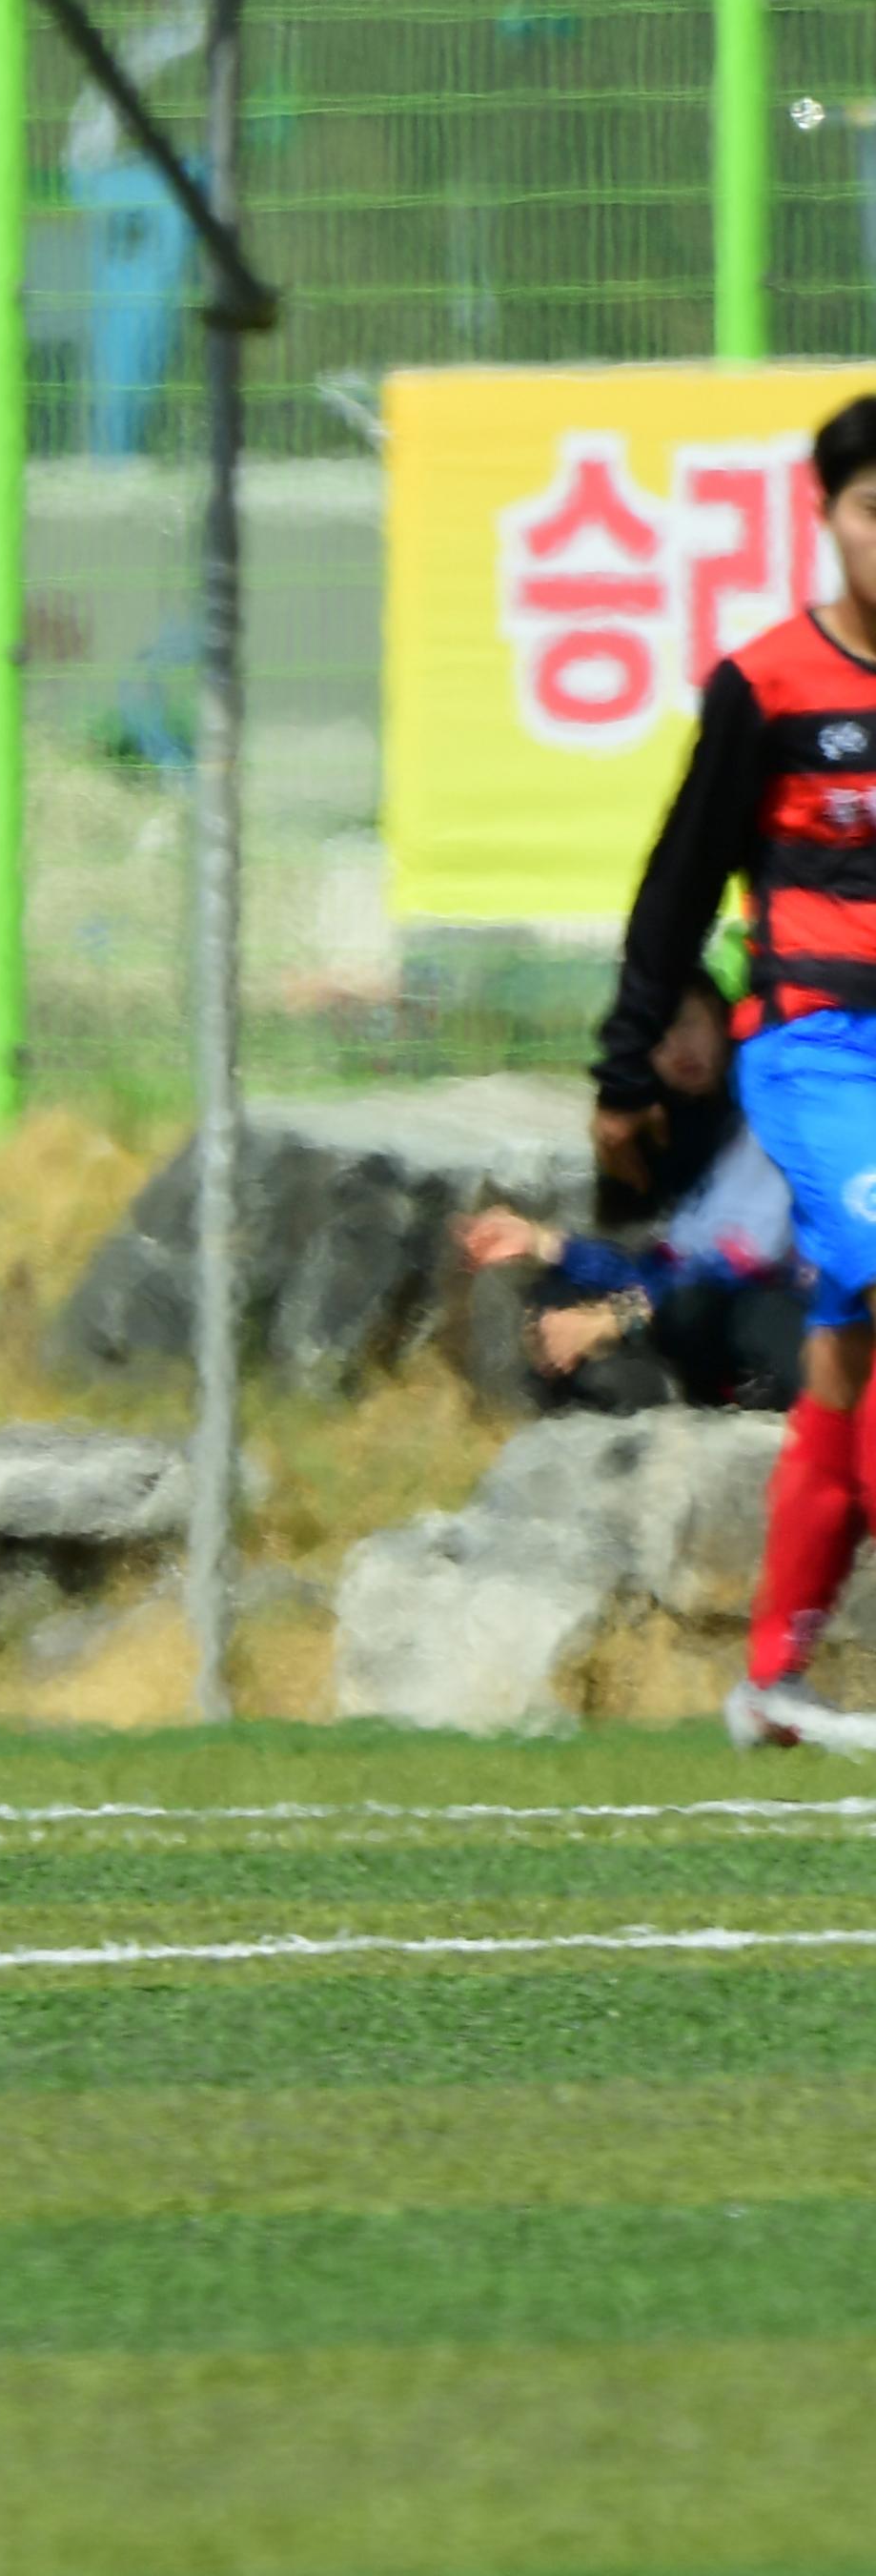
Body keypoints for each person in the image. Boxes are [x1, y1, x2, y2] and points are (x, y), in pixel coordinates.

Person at [600, 390, 876, 1749]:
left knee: (846, 1347)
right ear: (829, 519)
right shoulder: (766, 688)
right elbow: (677, 885)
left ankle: (773, 1678)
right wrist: (624, 1064)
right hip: (818, 1050)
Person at [459, 978, 800, 1413]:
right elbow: (668, 1265)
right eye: (654, 1038)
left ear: (720, 1019)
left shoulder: (768, 1106)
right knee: (563, 1289)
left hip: (792, 1313)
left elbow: (740, 1264)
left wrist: (614, 1320)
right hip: (709, 1309)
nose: (676, 1047)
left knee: (696, 1309)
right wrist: (543, 1243)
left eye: (685, 1025)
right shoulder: (691, 1126)